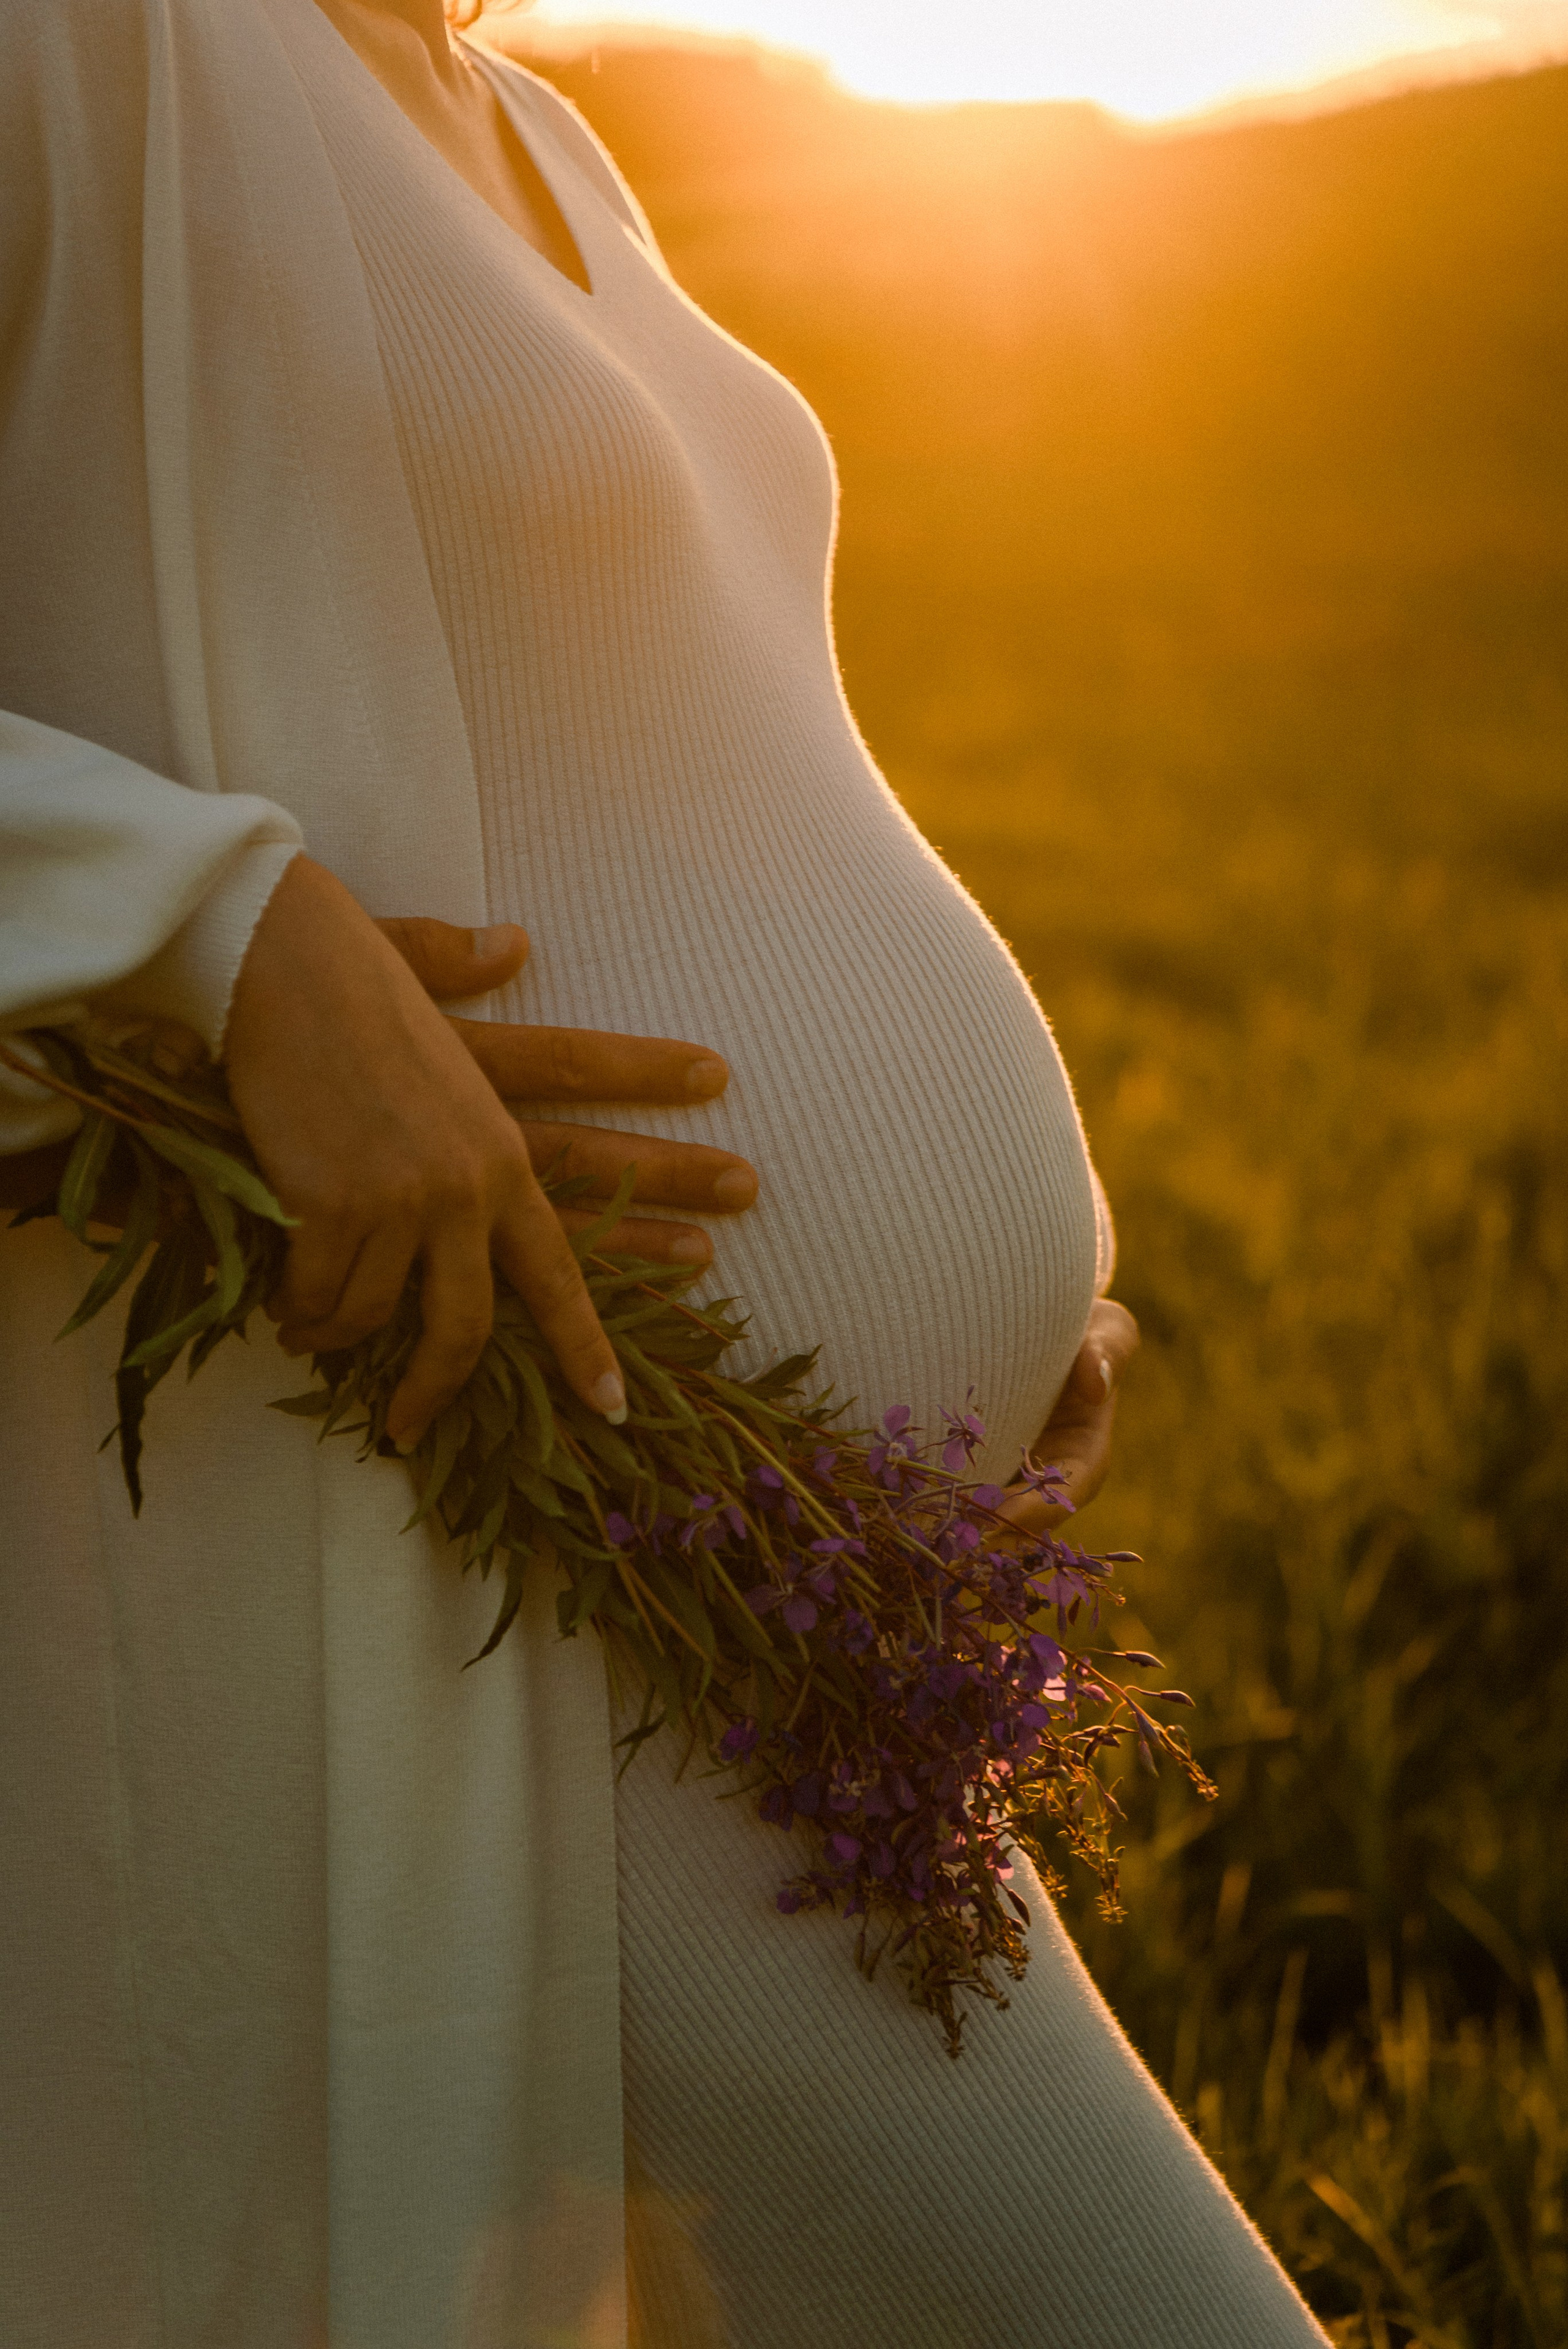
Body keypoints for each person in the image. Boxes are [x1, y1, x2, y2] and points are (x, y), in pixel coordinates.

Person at [0, 2, 1329, 2342]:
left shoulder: (529, 128)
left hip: (784, 1592)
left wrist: (983, 1308)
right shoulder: (92, 50)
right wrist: (231, 935)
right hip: (496, 1576)